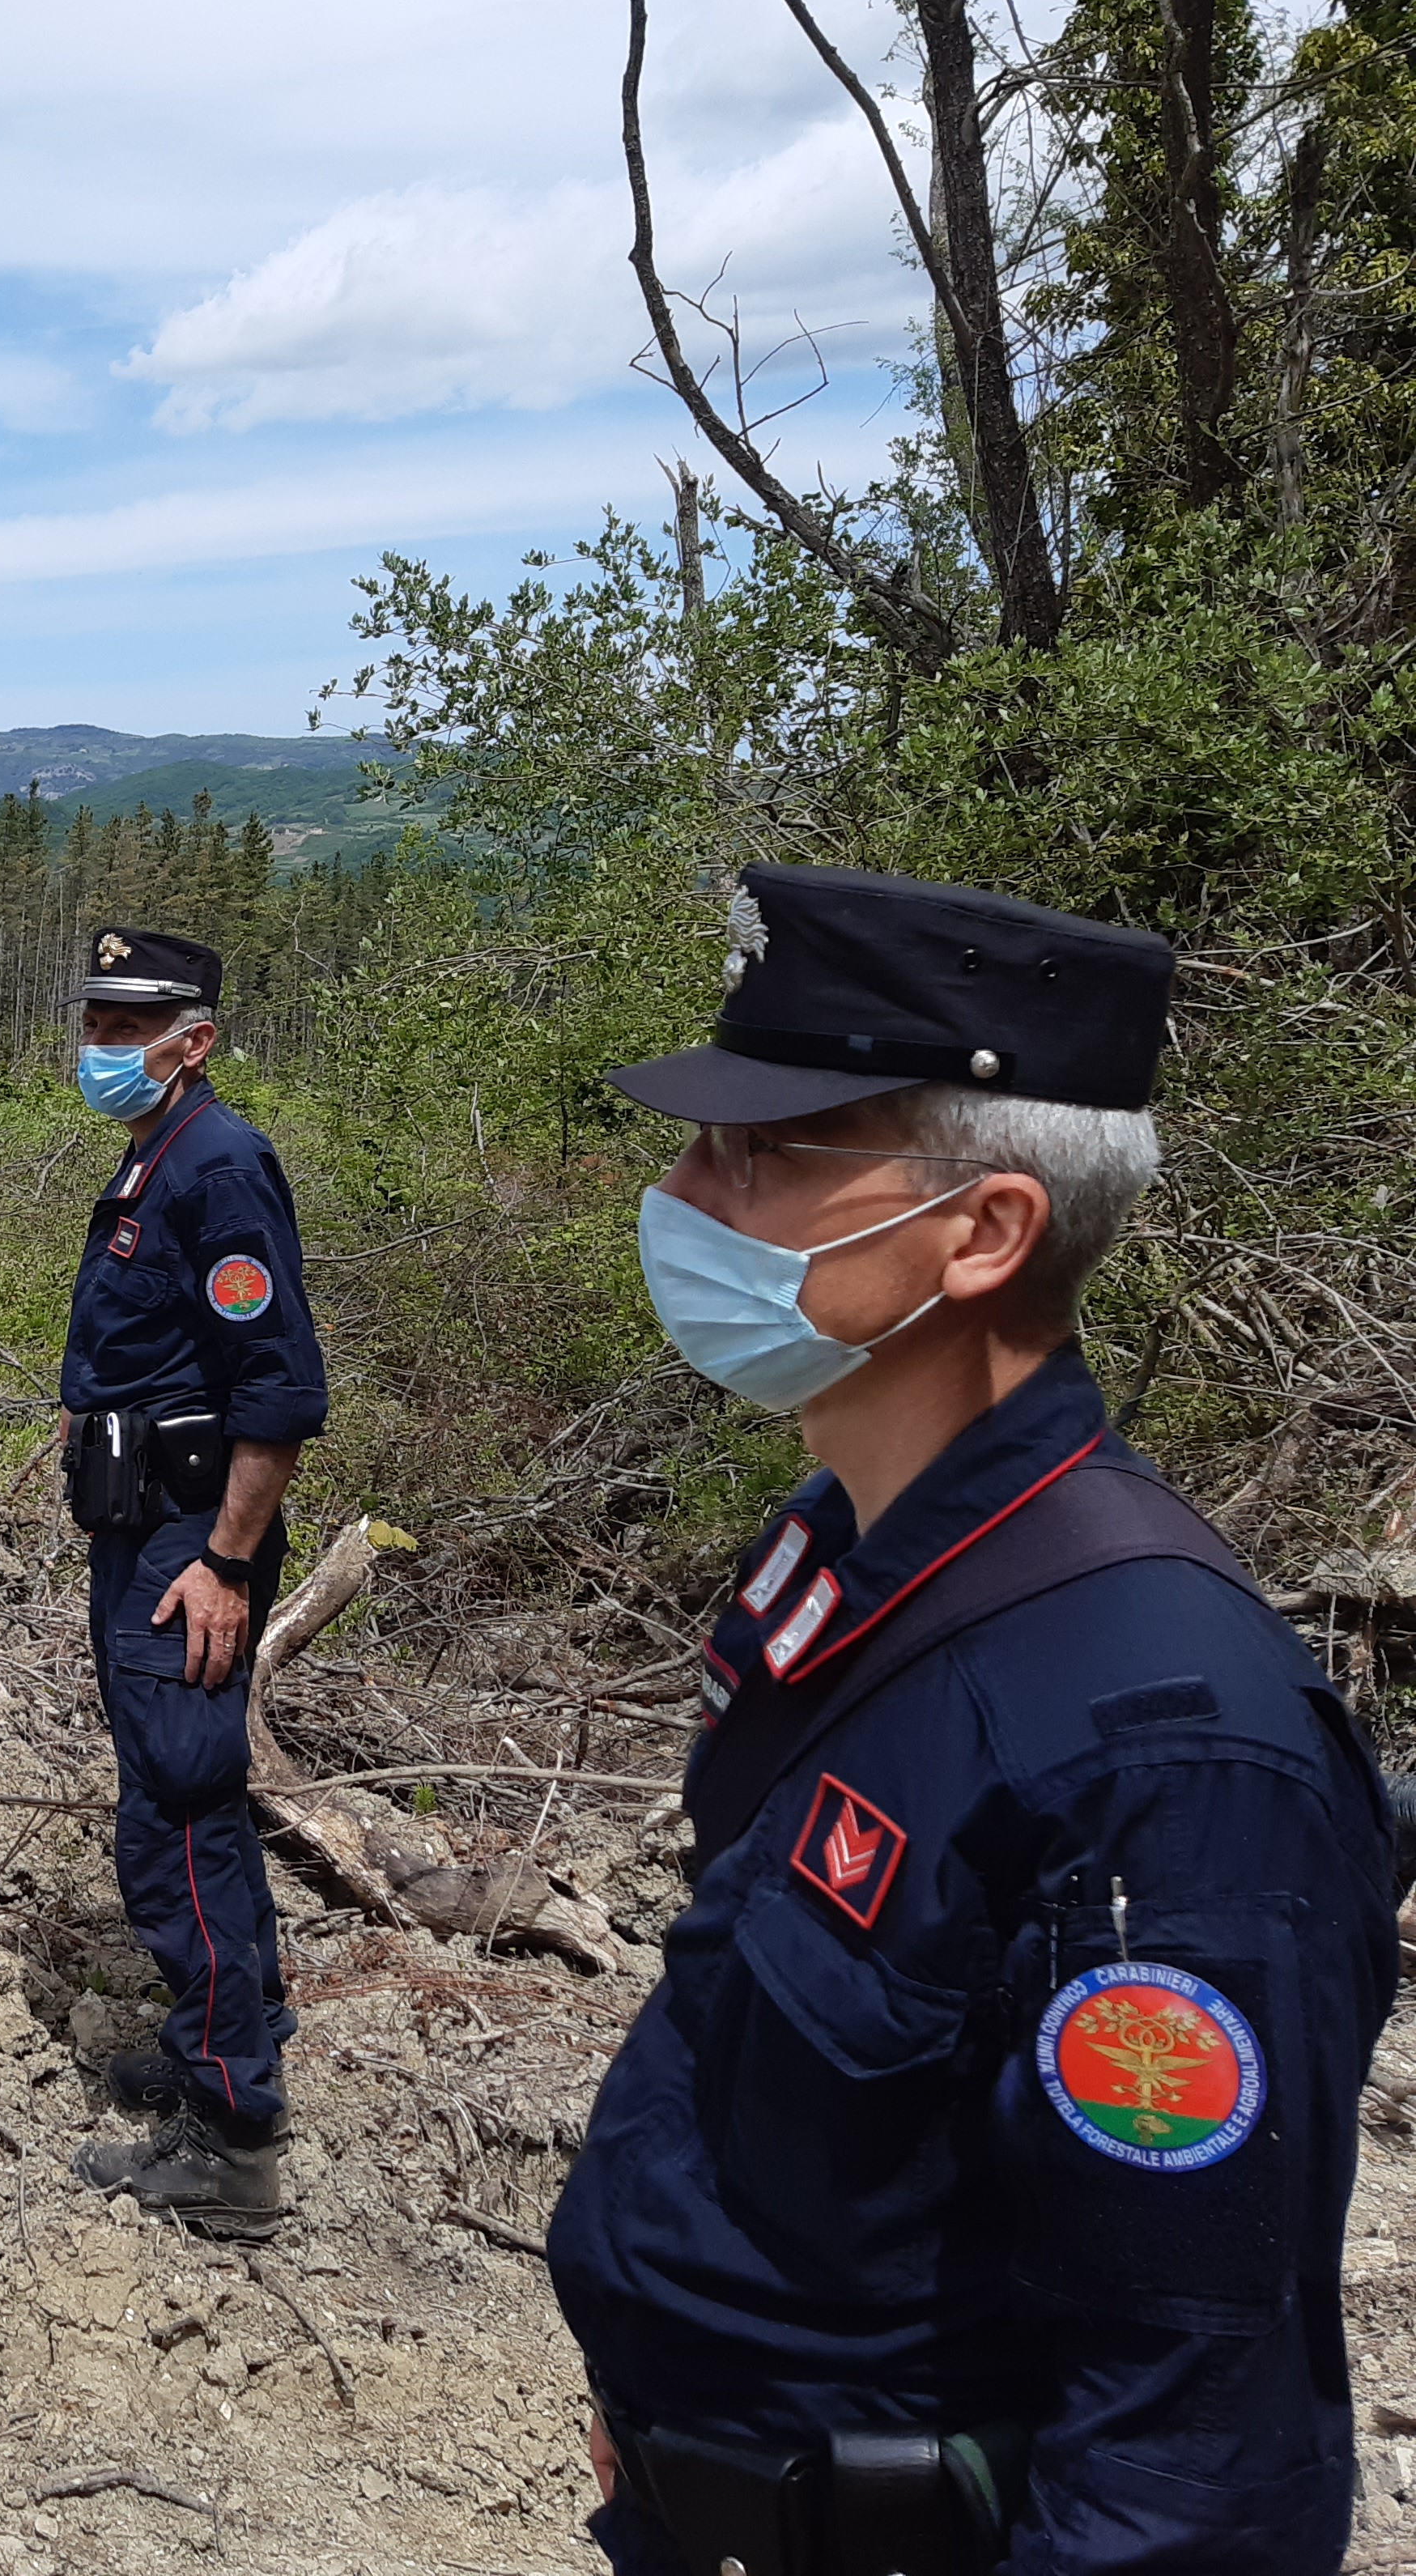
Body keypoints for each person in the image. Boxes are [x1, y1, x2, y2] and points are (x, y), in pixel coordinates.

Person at [549, 864, 1396, 2576]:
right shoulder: (843, 1550)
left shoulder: (1163, 1747)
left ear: (985, 1230)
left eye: (763, 1155)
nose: (681, 1193)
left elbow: (1190, 2469)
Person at [49, 925, 330, 2236]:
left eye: (125, 1026)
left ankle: (229, 2134)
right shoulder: (152, 1153)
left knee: (177, 1806)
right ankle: (222, 2028)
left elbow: (275, 1389)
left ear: (192, 1039)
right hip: (143, 1527)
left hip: (185, 1543)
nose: (99, 1046)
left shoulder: (217, 1166)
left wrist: (224, 1562)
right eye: (93, 1021)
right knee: (173, 1788)